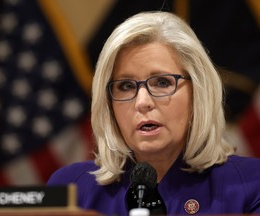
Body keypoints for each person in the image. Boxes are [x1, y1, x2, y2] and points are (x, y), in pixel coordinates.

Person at [47, 11, 260, 215]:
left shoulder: (251, 184)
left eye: (162, 82)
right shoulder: (72, 188)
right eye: (126, 86)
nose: (142, 102)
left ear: (198, 92)